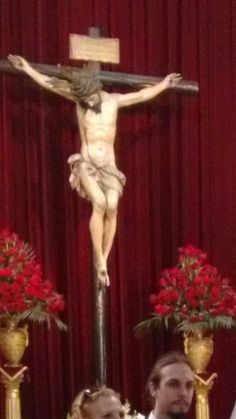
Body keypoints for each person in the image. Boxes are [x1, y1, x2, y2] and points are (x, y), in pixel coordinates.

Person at [7, 54, 181, 287]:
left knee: (112, 206)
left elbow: (141, 95)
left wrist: (164, 84)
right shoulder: (80, 102)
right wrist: (27, 68)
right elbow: (48, 83)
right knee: (99, 202)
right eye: (84, 101)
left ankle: (104, 259)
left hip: (109, 166)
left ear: (96, 89)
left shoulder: (114, 101)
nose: (88, 103)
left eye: (90, 98)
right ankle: (99, 260)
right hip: (87, 163)